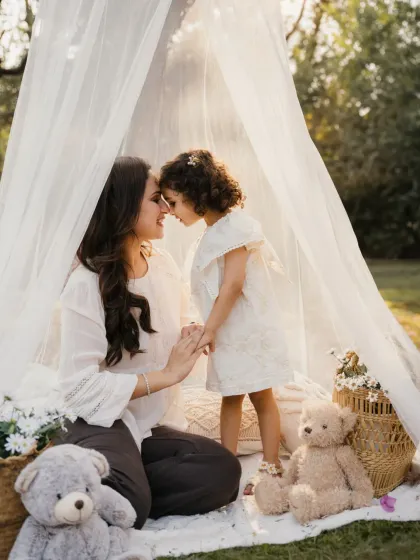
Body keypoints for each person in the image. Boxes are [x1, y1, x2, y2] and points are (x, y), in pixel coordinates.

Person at [57, 156, 241, 529]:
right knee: (133, 504)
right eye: (157, 199)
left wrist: (192, 331)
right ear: (125, 209)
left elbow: (176, 320)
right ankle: (117, 483)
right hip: (99, 420)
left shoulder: (163, 265)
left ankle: (119, 481)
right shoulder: (86, 285)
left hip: (151, 425)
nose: (167, 209)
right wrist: (166, 375)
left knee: (223, 470)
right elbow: (78, 389)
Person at [160, 149, 292, 494]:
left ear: (195, 195)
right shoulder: (211, 233)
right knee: (230, 397)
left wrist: (209, 330)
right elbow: (208, 289)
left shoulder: (237, 227)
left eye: (173, 203)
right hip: (226, 329)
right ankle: (226, 465)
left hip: (247, 329)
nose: (170, 212)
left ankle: (272, 466)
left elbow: (233, 285)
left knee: (262, 395)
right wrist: (207, 325)